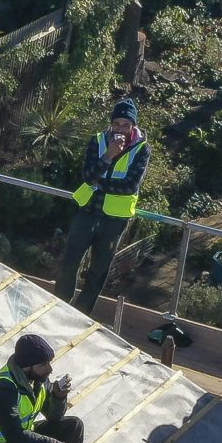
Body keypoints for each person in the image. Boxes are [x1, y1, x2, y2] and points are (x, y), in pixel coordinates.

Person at [51, 99, 150, 311]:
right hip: (87, 211)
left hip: (114, 220)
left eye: (125, 124)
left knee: (98, 270)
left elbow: (130, 186)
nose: (120, 129)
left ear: (133, 126)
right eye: (117, 123)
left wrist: (100, 182)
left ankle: (82, 312)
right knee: (70, 261)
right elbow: (87, 176)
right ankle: (59, 306)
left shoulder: (141, 149)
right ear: (111, 124)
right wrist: (108, 156)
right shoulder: (98, 141)